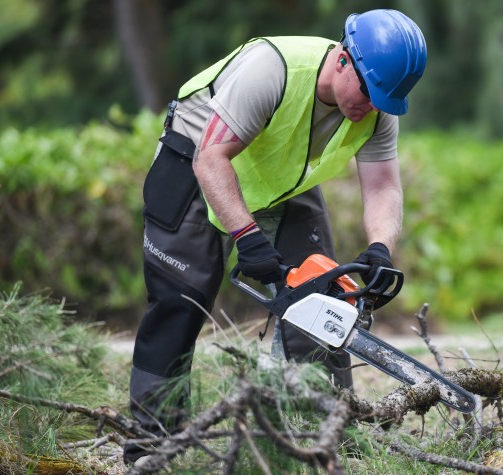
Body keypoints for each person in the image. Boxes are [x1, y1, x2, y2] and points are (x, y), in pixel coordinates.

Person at [124, 9, 427, 464]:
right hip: (198, 160)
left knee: (324, 298)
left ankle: (320, 437)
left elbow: (383, 185)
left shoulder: (378, 105)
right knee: (178, 305)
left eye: (386, 99)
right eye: (368, 92)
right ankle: (149, 448)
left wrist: (381, 248)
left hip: (276, 178)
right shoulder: (272, 70)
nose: (371, 106)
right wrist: (247, 236)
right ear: (344, 58)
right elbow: (212, 161)